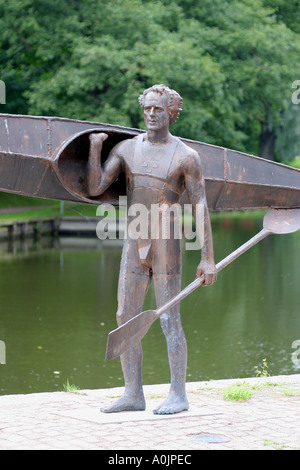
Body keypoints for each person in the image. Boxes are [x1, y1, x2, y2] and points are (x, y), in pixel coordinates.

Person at [87, 84, 217, 414]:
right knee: (124, 316)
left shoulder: (187, 156)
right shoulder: (128, 150)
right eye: (147, 109)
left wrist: (208, 258)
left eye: (158, 109)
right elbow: (96, 186)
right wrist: (94, 147)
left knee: (169, 318)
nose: (151, 114)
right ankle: (133, 392)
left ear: (171, 113)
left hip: (168, 239)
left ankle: (178, 394)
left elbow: (200, 205)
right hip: (135, 237)